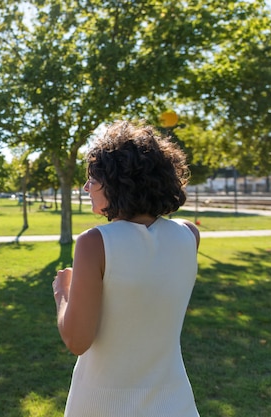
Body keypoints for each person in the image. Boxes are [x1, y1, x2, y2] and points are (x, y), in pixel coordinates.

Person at [53, 120, 200, 416]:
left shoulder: (95, 243)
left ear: (118, 182)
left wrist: (62, 292)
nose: (85, 187)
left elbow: (77, 340)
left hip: (103, 402)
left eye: (92, 179)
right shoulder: (189, 234)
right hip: (175, 401)